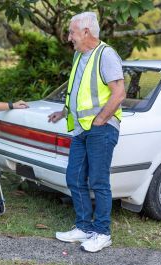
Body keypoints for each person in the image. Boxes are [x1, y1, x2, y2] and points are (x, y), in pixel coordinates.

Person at [48, 12, 125, 252]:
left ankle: (102, 232)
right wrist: (63, 111)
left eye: (72, 32)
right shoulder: (79, 56)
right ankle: (83, 228)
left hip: (100, 129)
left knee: (99, 181)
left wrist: (101, 119)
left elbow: (119, 93)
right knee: (74, 177)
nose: (69, 37)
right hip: (82, 129)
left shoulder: (106, 54)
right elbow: (78, 91)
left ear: (86, 32)